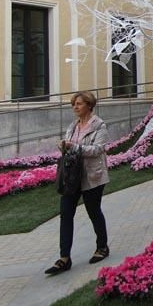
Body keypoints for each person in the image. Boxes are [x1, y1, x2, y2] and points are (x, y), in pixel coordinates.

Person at [45, 90, 110, 275]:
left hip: (92, 176)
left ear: (89, 105)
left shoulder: (99, 126)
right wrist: (64, 146)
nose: (75, 107)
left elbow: (98, 149)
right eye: (74, 104)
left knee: (93, 211)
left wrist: (76, 147)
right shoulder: (73, 126)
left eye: (79, 104)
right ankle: (64, 258)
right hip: (72, 177)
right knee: (66, 214)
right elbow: (70, 147)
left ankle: (102, 247)